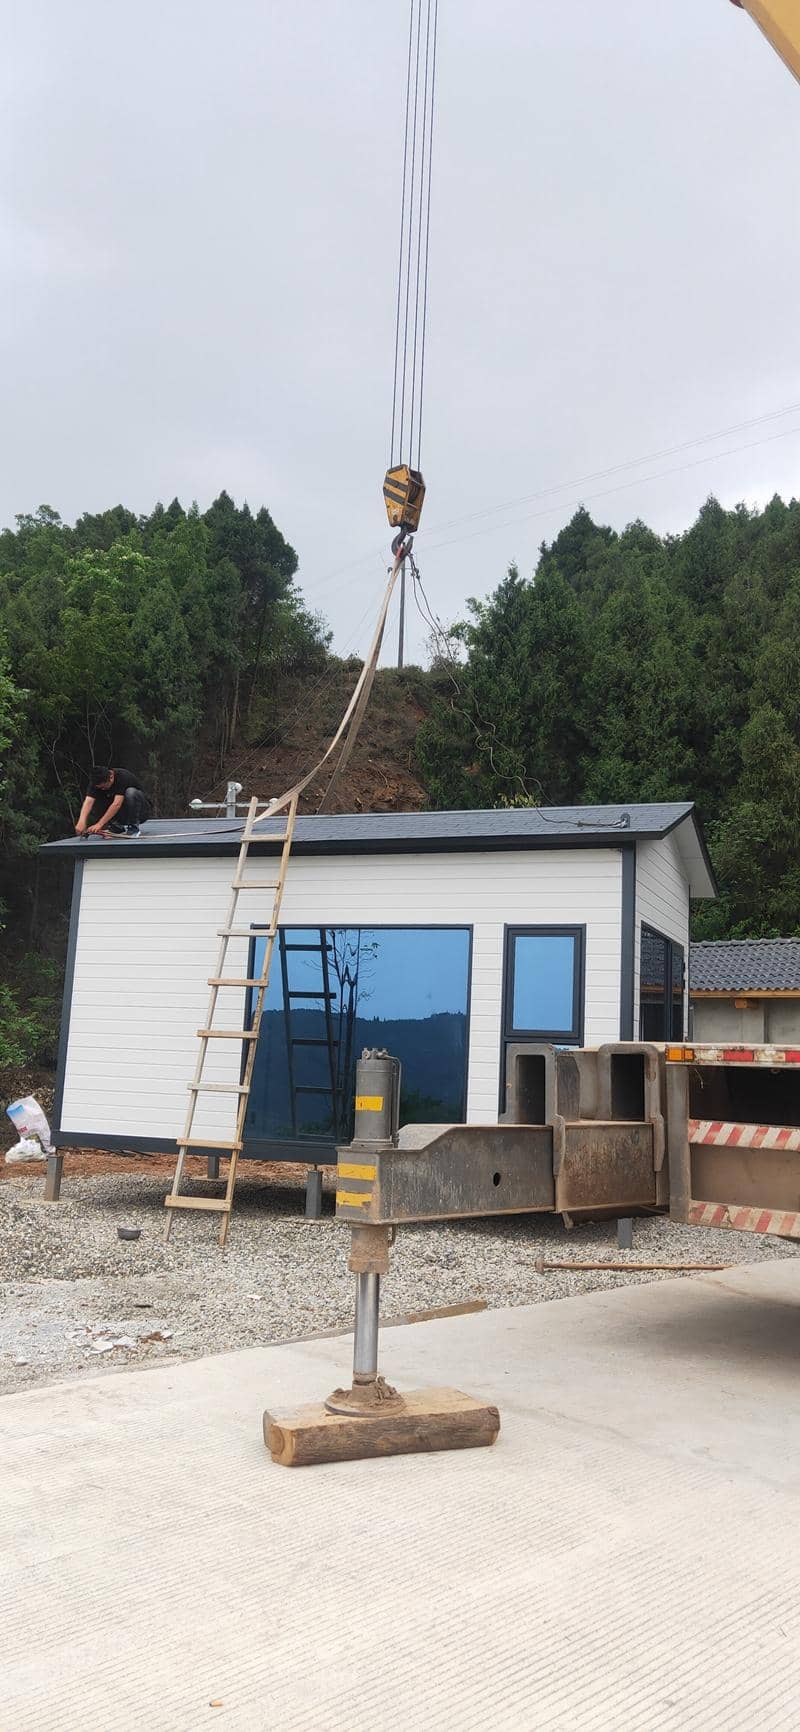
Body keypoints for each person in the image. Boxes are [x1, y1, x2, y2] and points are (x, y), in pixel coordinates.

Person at [75, 766, 151, 838]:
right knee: (97, 796)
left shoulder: (123, 776)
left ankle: (133, 827)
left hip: (141, 813)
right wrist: (81, 821)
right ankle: (116, 827)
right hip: (123, 815)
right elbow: (88, 802)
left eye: (103, 787)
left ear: (111, 777)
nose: (102, 789)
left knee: (131, 792)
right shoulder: (96, 782)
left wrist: (99, 824)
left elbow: (116, 804)